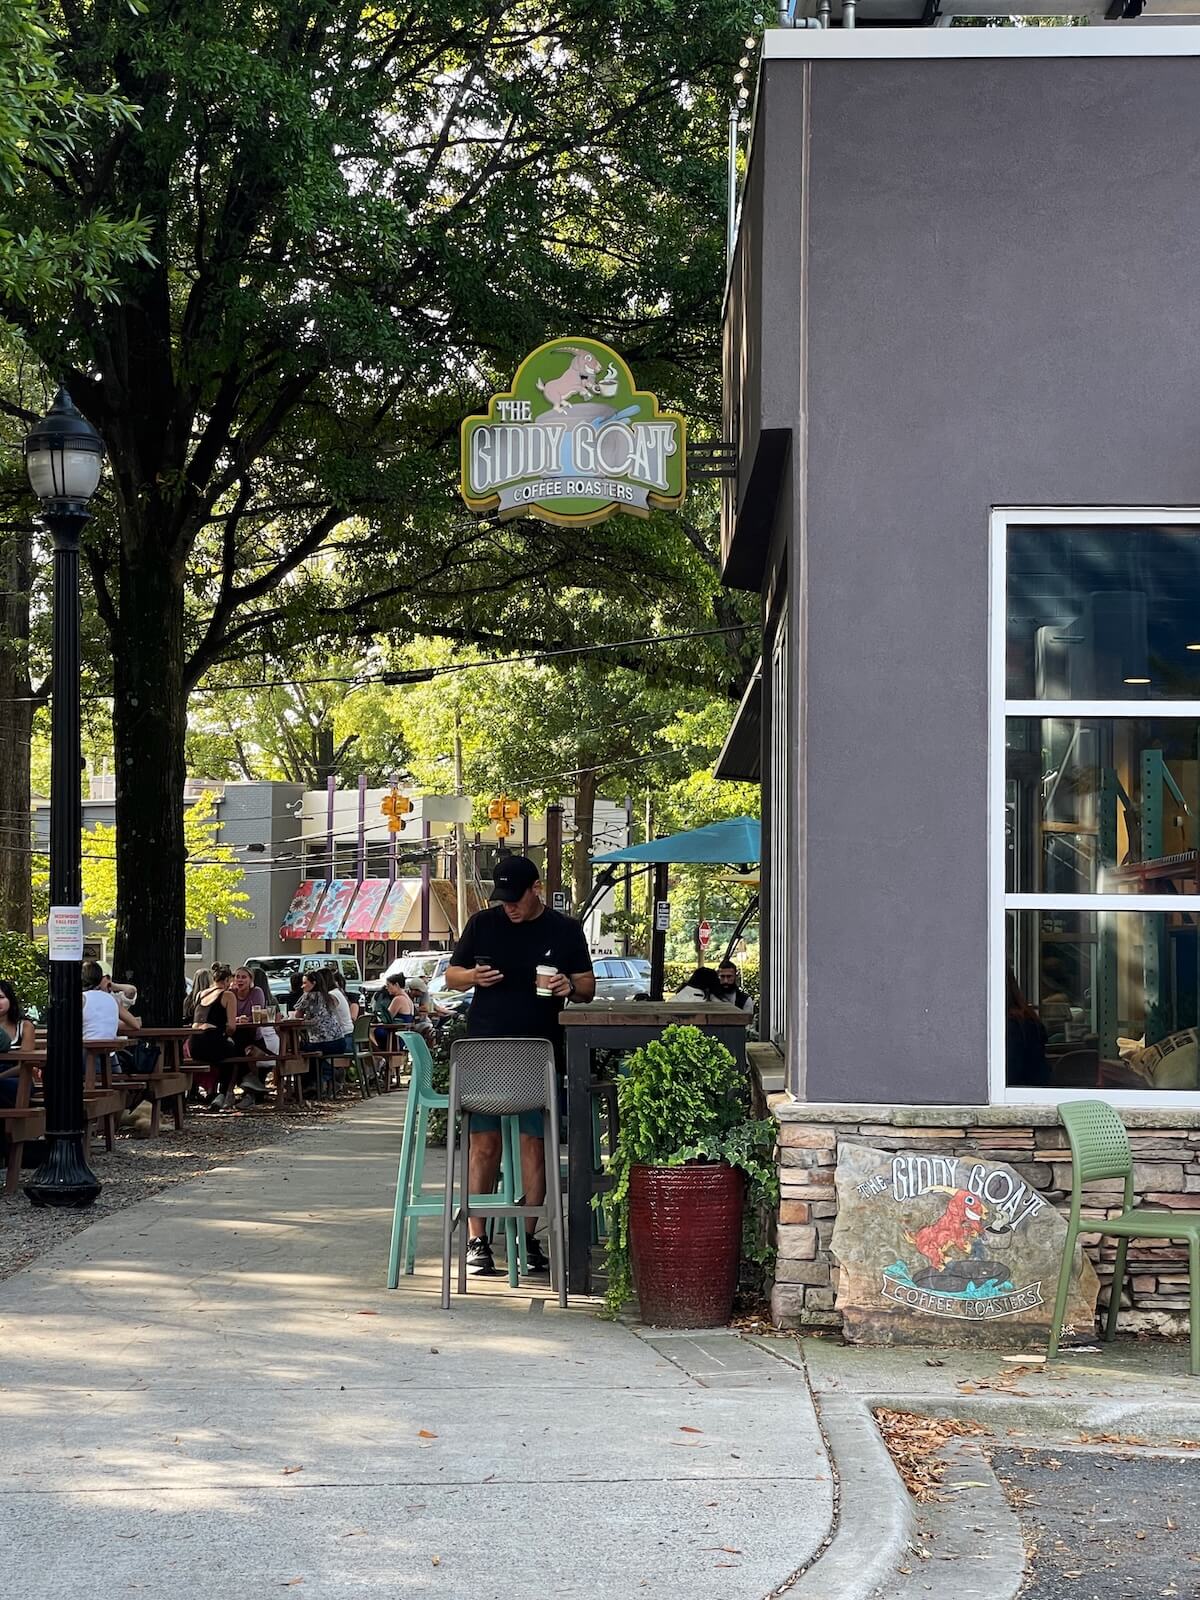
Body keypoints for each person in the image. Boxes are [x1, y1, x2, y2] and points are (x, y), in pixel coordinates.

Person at [445, 854, 595, 1278]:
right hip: (486, 1049)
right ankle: (478, 1239)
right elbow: (451, 976)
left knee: (535, 1143)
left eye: (516, 898)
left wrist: (568, 985)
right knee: (484, 1143)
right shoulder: (482, 925)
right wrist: (472, 977)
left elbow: (587, 985)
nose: (508, 906)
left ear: (536, 890)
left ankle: (527, 1237)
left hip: (538, 1051)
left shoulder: (564, 930)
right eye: (502, 898)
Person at [188, 964, 240, 1109]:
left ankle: (211, 1091)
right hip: (212, 1040)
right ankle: (223, 1093)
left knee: (223, 1053)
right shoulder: (228, 995)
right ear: (228, 979)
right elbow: (231, 1026)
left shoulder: (200, 994)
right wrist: (227, 1035)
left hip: (195, 1044)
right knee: (235, 1052)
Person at [294, 969, 348, 1091]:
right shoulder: (329, 996)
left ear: (313, 983)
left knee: (300, 1050)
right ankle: (320, 1081)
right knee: (310, 1050)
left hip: (324, 1043)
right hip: (340, 1041)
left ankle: (308, 1085)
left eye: (305, 983)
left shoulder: (308, 996)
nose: (302, 986)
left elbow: (297, 1016)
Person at [229, 966, 270, 1099]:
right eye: (238, 977)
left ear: (251, 979)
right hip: (235, 1035)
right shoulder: (230, 993)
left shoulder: (256, 992)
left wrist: (248, 1019)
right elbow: (225, 1016)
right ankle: (249, 1082)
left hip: (253, 1036)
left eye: (244, 977)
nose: (240, 980)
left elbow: (259, 1016)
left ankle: (244, 1085)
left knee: (243, 1047)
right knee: (237, 1048)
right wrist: (235, 1019)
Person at [1006, 968, 1050, 1087]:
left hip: (1018, 1093)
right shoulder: (1029, 1019)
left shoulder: (1009, 1026)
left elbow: (1012, 1074)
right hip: (1035, 1090)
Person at [82, 960, 140, 1041]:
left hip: (86, 1047)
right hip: (109, 1048)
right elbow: (136, 1024)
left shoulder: (83, 998)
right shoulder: (113, 999)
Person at [0, 979, 35, 1109]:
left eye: (1, 997)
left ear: (10, 999)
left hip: (17, 1079)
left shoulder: (25, 1027)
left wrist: (1, 1077)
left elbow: (24, 1065)